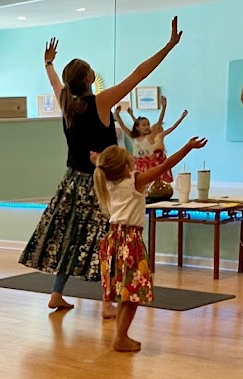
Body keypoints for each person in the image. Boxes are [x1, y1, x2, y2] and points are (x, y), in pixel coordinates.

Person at [19, 20, 183, 315]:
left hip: (72, 181)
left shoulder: (66, 100)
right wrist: (168, 47)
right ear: (90, 77)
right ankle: (107, 302)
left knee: (71, 237)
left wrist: (48, 64)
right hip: (102, 181)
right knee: (104, 239)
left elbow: (55, 83)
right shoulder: (100, 101)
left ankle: (57, 293)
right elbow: (138, 74)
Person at [94, 136, 207, 353]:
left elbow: (105, 166)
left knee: (124, 293)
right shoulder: (135, 181)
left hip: (112, 240)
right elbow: (165, 166)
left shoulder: (107, 180)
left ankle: (121, 336)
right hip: (129, 240)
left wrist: (98, 160)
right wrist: (187, 147)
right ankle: (121, 337)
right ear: (127, 166)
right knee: (132, 293)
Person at [114, 97, 188, 182]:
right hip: (138, 164)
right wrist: (117, 115)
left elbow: (161, 122)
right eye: (144, 125)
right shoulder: (134, 137)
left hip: (149, 165)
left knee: (150, 184)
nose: (147, 127)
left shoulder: (150, 137)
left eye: (148, 125)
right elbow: (123, 127)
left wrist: (164, 108)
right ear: (137, 128)